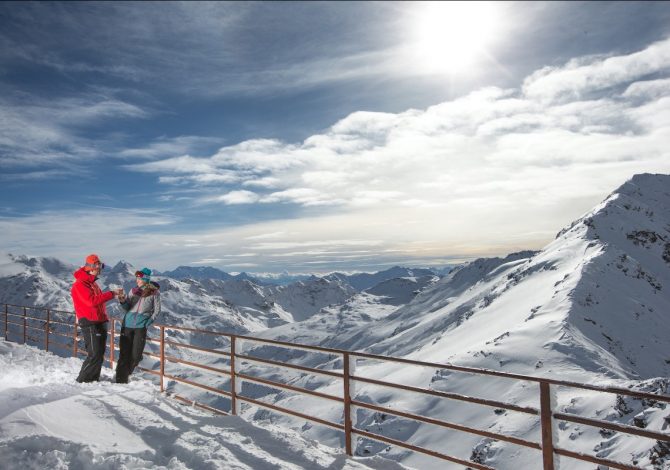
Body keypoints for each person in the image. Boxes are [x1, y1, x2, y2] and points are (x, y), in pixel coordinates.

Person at [71, 253, 119, 383]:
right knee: (94, 353)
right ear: (91, 267)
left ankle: (93, 378)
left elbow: (97, 302)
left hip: (99, 321)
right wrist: (111, 294)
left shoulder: (92, 283)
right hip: (90, 322)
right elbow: (91, 301)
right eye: (99, 267)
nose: (100, 270)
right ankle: (82, 381)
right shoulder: (80, 284)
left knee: (99, 353)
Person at [115, 267, 161, 383]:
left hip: (140, 327)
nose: (137, 280)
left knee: (136, 355)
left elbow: (157, 310)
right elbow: (127, 308)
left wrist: (148, 322)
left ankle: (126, 374)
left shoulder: (154, 292)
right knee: (124, 354)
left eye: (139, 279)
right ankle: (120, 379)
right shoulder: (133, 291)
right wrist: (122, 301)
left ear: (145, 279)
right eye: (136, 278)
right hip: (127, 325)